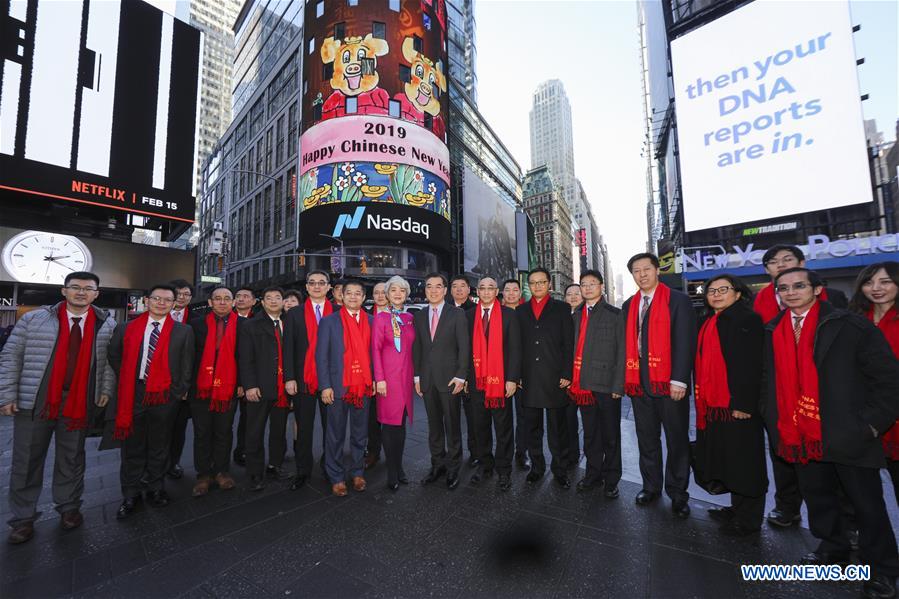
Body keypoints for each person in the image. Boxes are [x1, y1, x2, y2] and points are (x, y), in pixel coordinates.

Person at [762, 267, 899, 597]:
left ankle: (883, 569)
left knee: (866, 505)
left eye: (799, 286)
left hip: (848, 433)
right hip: (800, 435)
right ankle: (833, 551)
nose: (791, 292)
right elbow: (769, 383)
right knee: (819, 498)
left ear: (817, 289)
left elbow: (888, 379)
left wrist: (870, 424)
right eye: (784, 288)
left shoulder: (848, 325)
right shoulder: (773, 329)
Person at [0, 272, 116, 544]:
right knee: (26, 460)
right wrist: (6, 394)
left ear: (96, 294)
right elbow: (11, 356)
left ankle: (69, 507)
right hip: (36, 400)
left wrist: (106, 390)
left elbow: (108, 363)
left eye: (88, 289)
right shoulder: (35, 319)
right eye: (75, 287)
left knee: (72, 457)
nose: (81, 292)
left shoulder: (105, 324)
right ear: (63, 291)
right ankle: (23, 518)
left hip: (79, 402)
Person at [753, 244, 848, 528]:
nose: (780, 265)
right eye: (773, 262)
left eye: (787, 260)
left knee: (834, 465)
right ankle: (787, 507)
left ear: (803, 263)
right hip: (780, 396)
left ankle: (845, 523)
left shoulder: (836, 301)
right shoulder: (760, 303)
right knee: (783, 456)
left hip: (823, 397)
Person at [107, 284, 194, 519]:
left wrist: (178, 392)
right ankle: (131, 493)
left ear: (174, 303)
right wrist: (130, 377)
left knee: (160, 445)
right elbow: (114, 355)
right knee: (132, 447)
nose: (161, 303)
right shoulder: (126, 328)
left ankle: (156, 488)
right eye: (157, 298)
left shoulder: (183, 331)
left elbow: (187, 366)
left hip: (166, 396)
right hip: (133, 393)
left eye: (167, 300)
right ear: (147, 300)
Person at [623, 253, 697, 518]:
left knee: (677, 440)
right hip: (639, 384)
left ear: (657, 270)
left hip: (669, 384)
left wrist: (679, 379)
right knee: (647, 439)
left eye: (646, 269)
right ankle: (651, 487)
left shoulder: (678, 301)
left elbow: (685, 342)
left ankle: (678, 493)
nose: (641, 274)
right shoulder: (629, 305)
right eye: (636, 271)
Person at [693, 275, 768, 536]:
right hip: (714, 405)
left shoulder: (747, 320)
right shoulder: (709, 321)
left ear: (737, 294)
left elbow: (751, 365)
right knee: (729, 459)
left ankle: (749, 519)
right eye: (711, 290)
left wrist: (744, 403)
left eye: (723, 289)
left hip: (738, 405)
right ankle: (737, 508)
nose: (715, 294)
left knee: (746, 462)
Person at [569, 270, 624, 499]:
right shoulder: (575, 315)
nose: (588, 288)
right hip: (583, 385)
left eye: (592, 283)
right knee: (590, 434)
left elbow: (622, 351)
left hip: (606, 384)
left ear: (601, 286)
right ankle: (593, 474)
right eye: (584, 284)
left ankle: (612, 479)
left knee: (611, 435)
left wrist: (618, 386)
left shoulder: (614, 314)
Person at [316, 280, 374, 497]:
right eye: (348, 293)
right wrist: (325, 386)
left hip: (363, 388)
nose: (352, 297)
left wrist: (375, 380)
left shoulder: (371, 320)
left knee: (360, 434)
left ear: (363, 297)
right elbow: (321, 356)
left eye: (357, 293)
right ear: (341, 295)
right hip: (337, 386)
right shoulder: (329, 322)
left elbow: (374, 355)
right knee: (335, 434)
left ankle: (358, 472)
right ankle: (336, 476)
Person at [412, 272, 470, 489]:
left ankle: (454, 468)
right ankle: (437, 465)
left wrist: (461, 376)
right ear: (425, 290)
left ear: (445, 290)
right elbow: (417, 348)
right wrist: (417, 377)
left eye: (438, 286)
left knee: (452, 426)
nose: (433, 290)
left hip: (449, 380)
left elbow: (464, 347)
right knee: (434, 426)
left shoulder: (456, 314)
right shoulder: (419, 315)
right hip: (427, 380)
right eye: (429, 286)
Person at [518, 267, 574, 488]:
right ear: (529, 286)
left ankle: (559, 469)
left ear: (549, 284)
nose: (537, 286)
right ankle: (537, 467)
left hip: (554, 377)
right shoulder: (520, 312)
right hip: (529, 377)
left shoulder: (562, 308)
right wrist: (517, 375)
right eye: (533, 283)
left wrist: (567, 373)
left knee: (557, 428)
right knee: (532, 427)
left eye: (542, 282)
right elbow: (517, 347)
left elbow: (568, 344)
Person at [850, 261, 899, 506]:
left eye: (885, 281)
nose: (876, 288)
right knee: (865, 495)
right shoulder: (854, 320)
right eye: (869, 282)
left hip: (894, 412)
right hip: (864, 416)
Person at [465, 277, 521, 491]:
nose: (487, 292)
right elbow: (465, 351)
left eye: (491, 288)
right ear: (477, 291)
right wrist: (467, 378)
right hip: (478, 382)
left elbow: (516, 350)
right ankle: (485, 465)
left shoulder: (509, 315)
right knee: (480, 427)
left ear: (497, 291)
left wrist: (512, 379)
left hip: (501, 383)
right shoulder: (468, 316)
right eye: (482, 288)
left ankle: (504, 470)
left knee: (503, 427)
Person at [188, 286, 243, 497]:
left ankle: (222, 471)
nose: (222, 302)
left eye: (227, 299)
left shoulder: (243, 325)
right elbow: (188, 357)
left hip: (228, 387)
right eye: (217, 299)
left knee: (224, 431)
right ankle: (203, 474)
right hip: (200, 388)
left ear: (234, 302)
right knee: (202, 433)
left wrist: (241, 383)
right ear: (210, 302)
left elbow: (245, 357)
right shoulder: (195, 325)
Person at [284, 271, 336, 489]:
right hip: (302, 379)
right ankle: (302, 470)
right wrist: (289, 378)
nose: (316, 286)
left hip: (331, 381)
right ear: (306, 287)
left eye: (321, 283)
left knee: (331, 427)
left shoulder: (338, 312)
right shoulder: (295, 313)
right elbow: (288, 348)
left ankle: (329, 466)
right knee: (303, 428)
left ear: (329, 287)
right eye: (312, 283)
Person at [238, 287, 290, 491]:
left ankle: (274, 465)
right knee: (254, 432)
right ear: (262, 302)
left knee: (278, 431)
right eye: (269, 298)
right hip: (259, 387)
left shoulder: (290, 322)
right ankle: (254, 472)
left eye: (278, 297)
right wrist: (249, 385)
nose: (274, 301)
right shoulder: (251, 325)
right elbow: (246, 359)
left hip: (284, 387)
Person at [372, 276, 416, 491]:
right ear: (387, 295)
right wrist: (379, 379)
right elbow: (376, 350)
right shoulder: (380, 318)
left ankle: (399, 467)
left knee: (401, 425)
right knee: (390, 426)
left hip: (406, 379)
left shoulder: (409, 318)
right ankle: (391, 471)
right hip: (387, 381)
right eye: (393, 290)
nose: (398, 294)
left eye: (402, 290)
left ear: (406, 294)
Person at [166, 279, 197, 481]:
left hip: (184, 385)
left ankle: (172, 462)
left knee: (178, 428)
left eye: (186, 294)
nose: (182, 297)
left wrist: (188, 384)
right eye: (178, 293)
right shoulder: (154, 316)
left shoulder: (196, 320)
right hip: (156, 383)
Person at [450, 274, 480, 467]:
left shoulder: (476, 311)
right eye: (455, 286)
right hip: (447, 372)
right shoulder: (444, 309)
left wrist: (467, 373)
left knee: (473, 416)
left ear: (469, 290)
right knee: (450, 417)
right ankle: (453, 453)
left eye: (463, 286)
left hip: (469, 373)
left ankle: (476, 452)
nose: (459, 289)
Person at [502, 278, 530, 470]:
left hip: (524, 374)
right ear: (501, 293)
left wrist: (519, 374)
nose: (511, 293)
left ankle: (522, 452)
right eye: (507, 290)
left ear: (520, 293)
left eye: (515, 290)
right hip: (499, 373)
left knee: (524, 416)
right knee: (503, 418)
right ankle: (504, 453)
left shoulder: (526, 314)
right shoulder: (495, 312)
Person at [364, 281, 390, 469]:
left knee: (391, 418)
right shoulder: (364, 317)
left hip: (392, 375)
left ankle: (392, 454)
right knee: (371, 418)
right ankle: (373, 451)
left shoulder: (398, 316)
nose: (380, 296)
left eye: (383, 292)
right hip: (369, 374)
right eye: (376, 292)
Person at [232, 286, 257, 467]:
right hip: (226, 377)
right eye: (238, 296)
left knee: (248, 420)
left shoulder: (258, 321)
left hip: (250, 379)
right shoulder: (227, 320)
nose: (241, 299)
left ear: (254, 301)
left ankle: (243, 450)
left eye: (245, 296)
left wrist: (245, 382)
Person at [562, 282, 583, 468]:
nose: (574, 296)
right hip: (563, 378)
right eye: (569, 294)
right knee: (566, 419)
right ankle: (568, 453)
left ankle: (575, 455)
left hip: (582, 378)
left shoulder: (586, 316)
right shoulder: (562, 317)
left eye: (577, 293)